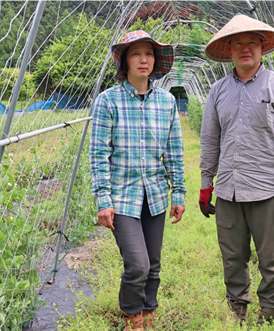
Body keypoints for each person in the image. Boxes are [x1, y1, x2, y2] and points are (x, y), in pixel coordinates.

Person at [199, 14, 274, 325]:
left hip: (267, 190)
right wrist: (207, 183)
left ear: (262, 47)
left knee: (271, 260)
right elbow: (209, 139)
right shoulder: (217, 91)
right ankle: (237, 312)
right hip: (228, 190)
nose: (246, 49)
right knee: (232, 258)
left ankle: (269, 314)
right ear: (229, 50)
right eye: (238, 43)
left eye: (252, 43)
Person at [90, 30, 186, 331]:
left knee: (153, 266)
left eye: (149, 53)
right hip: (123, 197)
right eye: (136, 53)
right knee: (138, 264)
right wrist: (103, 201)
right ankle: (132, 315)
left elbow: (174, 152)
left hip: (155, 195)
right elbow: (98, 155)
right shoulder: (108, 102)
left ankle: (148, 314)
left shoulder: (167, 102)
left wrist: (178, 194)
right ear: (125, 61)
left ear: (155, 61)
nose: (143, 59)